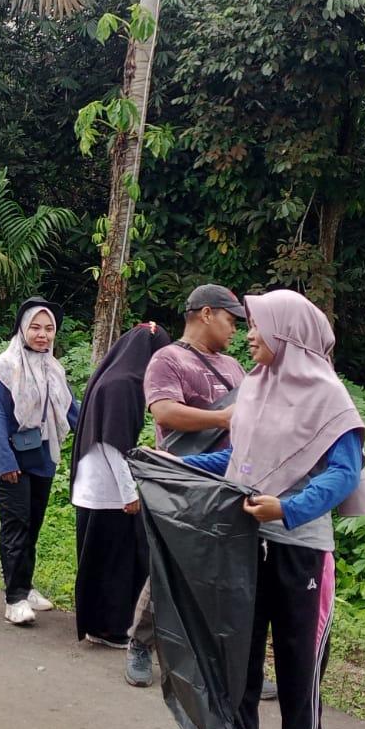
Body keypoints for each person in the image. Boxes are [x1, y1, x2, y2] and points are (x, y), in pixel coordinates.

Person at [180, 289, 365, 729]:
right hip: (244, 549)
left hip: (302, 554)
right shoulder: (254, 386)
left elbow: (343, 473)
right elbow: (240, 460)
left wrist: (286, 509)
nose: (247, 334)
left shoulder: (329, 395)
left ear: (286, 332)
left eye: (258, 326)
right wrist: (176, 465)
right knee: (238, 672)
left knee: (298, 676)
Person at [125, 283, 249, 687]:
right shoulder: (168, 359)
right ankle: (140, 645)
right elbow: (163, 411)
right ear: (207, 313)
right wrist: (222, 418)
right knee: (173, 567)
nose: (235, 330)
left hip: (230, 480)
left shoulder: (234, 367)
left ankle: (226, 664)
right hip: (182, 478)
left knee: (227, 573)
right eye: (231, 320)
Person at [70, 321, 171, 648]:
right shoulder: (125, 384)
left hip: (96, 486)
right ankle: (111, 629)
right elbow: (113, 444)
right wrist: (130, 493)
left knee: (101, 560)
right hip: (108, 489)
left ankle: (100, 626)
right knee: (116, 563)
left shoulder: (111, 376)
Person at [0, 297, 79, 627]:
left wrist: (99, 431)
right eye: (36, 327)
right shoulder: (4, 367)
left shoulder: (52, 367)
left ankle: (26, 585)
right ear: (23, 329)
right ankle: (15, 598)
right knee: (16, 525)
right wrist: (7, 462)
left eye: (49, 328)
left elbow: (69, 407)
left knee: (33, 525)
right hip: (8, 457)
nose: (43, 334)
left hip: (41, 455)